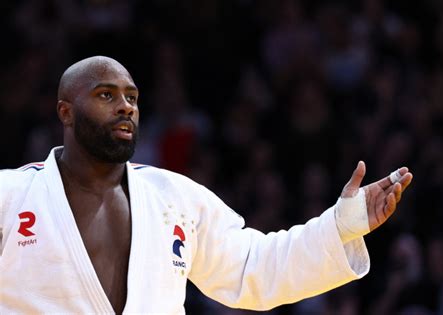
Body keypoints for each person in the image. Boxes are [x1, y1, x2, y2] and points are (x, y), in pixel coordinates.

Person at [0, 56, 413, 314]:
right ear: (66, 112)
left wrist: (342, 224)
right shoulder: (11, 196)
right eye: (106, 95)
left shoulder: (174, 198)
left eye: (132, 97)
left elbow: (255, 267)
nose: (126, 105)